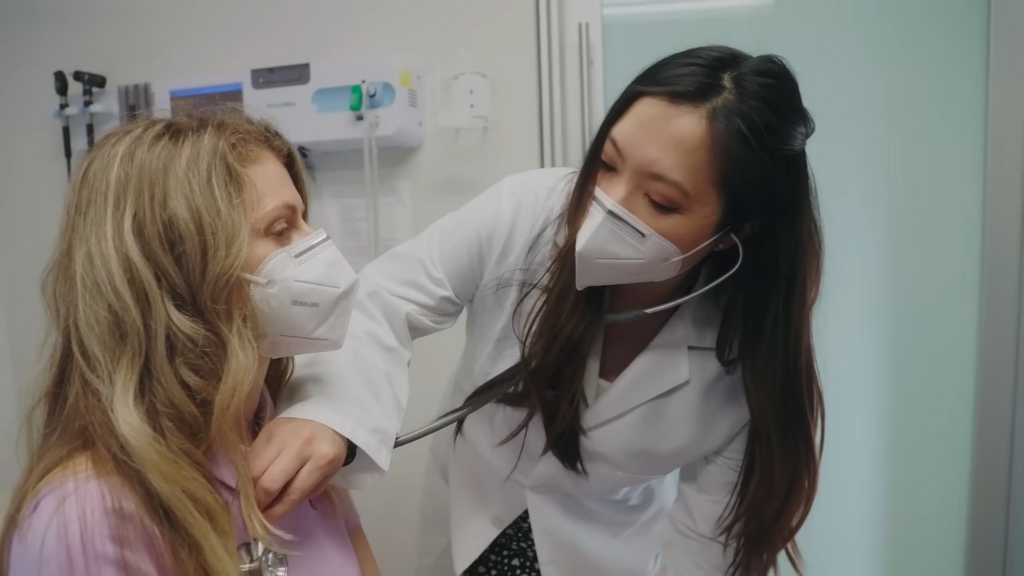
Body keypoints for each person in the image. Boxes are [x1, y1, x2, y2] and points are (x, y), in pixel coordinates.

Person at [253, 45, 824, 576]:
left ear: (732, 233)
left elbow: (706, 546)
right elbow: (384, 298)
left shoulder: (744, 362)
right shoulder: (528, 212)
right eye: (605, 163)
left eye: (661, 201)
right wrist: (330, 413)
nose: (606, 208)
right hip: (467, 528)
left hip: (599, 556)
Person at [1, 114, 380, 576]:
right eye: (281, 230)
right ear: (184, 272)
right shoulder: (84, 518)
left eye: (304, 221)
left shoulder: (299, 445)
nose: (319, 248)